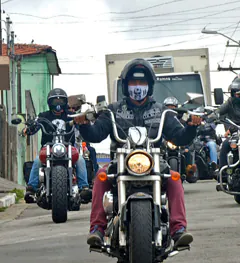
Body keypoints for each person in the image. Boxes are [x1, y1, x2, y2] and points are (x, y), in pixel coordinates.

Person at [75, 59, 201, 249]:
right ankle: (97, 231)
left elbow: (179, 137)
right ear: (126, 86)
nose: (138, 87)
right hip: (121, 163)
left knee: (174, 178)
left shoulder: (162, 111)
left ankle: (178, 230)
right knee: (101, 177)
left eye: (142, 83)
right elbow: (96, 134)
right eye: (134, 83)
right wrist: (83, 124)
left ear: (149, 86)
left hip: (155, 163)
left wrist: (192, 127)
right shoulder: (113, 111)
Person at [24, 88, 91, 203]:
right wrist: (30, 127)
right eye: (55, 101)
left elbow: (82, 124)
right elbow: (34, 126)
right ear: (50, 103)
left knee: (80, 160)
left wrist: (85, 121)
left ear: (65, 103)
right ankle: (31, 189)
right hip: (48, 147)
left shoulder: (71, 115)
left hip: (68, 147)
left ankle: (83, 188)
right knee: (37, 161)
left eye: (61, 101)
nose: (58, 104)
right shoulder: (43, 116)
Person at [216, 78, 240, 172]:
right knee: (226, 144)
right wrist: (213, 114)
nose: (237, 95)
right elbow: (220, 110)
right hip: (236, 132)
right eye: (235, 92)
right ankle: (222, 173)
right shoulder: (230, 102)